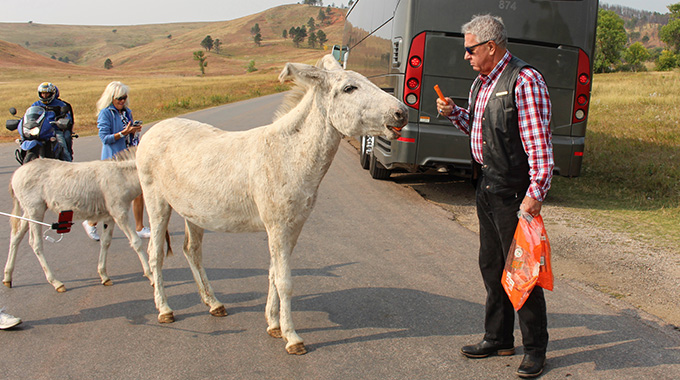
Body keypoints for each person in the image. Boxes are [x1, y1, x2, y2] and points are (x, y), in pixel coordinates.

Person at [436, 14, 553, 378]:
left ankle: (535, 349)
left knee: (522, 272)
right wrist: (455, 113)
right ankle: (498, 338)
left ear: (491, 46)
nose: (466, 56)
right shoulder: (480, 84)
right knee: (492, 266)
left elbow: (540, 147)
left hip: (515, 193)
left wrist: (535, 195)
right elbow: (480, 128)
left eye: (470, 49)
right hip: (486, 186)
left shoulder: (524, 80)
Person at [82, 81, 149, 241]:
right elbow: (105, 138)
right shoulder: (106, 113)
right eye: (119, 98)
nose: (122, 101)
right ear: (111, 98)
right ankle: (91, 222)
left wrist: (133, 131)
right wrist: (122, 133)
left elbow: (130, 136)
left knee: (138, 193)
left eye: (124, 98)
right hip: (113, 160)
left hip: (129, 158)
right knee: (111, 198)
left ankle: (139, 227)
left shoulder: (127, 112)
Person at [32, 82, 74, 161]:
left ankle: (69, 163)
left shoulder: (60, 104)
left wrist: (61, 122)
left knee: (62, 145)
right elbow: (30, 115)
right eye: (42, 94)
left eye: (47, 94)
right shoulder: (36, 104)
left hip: (54, 130)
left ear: (52, 94)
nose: (44, 96)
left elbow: (67, 117)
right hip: (40, 131)